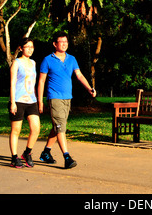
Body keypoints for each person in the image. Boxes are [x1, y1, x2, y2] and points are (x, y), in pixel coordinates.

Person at [38, 31, 96, 169]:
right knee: (60, 127)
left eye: (66, 42)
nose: (64, 44)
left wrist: (89, 88)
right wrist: (40, 101)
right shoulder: (48, 60)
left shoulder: (72, 59)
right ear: (54, 44)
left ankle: (46, 152)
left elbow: (79, 75)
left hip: (67, 98)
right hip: (54, 97)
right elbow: (41, 82)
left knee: (58, 126)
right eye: (61, 42)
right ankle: (67, 157)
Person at [9, 37, 40, 168]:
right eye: (27, 47)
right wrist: (12, 102)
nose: (30, 49)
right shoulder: (16, 63)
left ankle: (27, 153)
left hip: (32, 101)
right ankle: (14, 157)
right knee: (16, 130)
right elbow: (12, 83)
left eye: (32, 47)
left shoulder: (33, 63)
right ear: (21, 48)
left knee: (36, 128)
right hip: (18, 100)